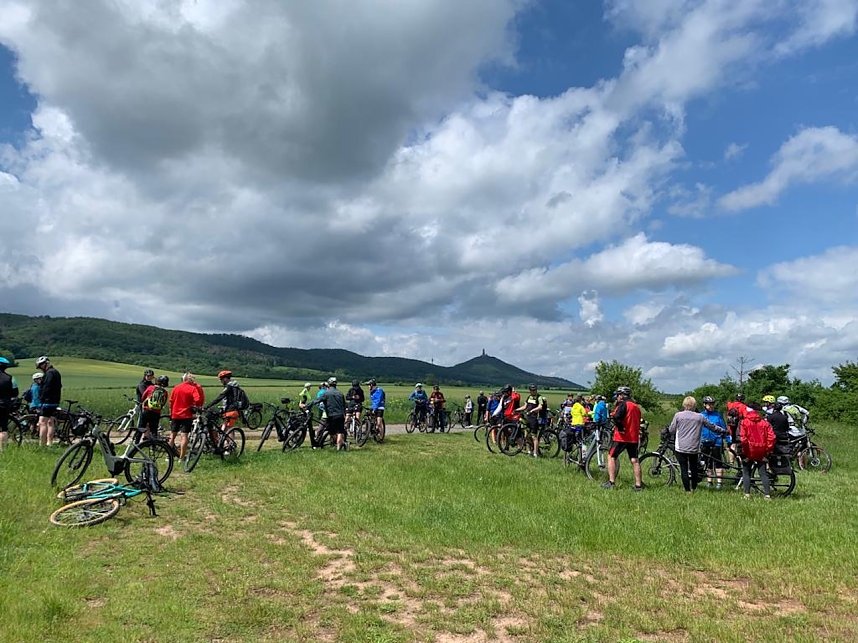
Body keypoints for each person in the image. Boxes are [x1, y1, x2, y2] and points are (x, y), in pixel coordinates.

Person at [668, 396, 720, 493]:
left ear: (684, 405)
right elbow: (712, 426)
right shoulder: (700, 417)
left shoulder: (678, 415)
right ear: (694, 405)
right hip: (694, 447)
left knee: (684, 468)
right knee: (693, 467)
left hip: (681, 447)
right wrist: (723, 431)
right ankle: (694, 487)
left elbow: (672, 430)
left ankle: (687, 490)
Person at [602, 386, 643, 491]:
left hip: (622, 437)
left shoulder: (623, 405)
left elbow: (616, 417)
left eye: (618, 395)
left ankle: (611, 482)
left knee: (611, 456)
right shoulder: (636, 406)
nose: (617, 397)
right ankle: (638, 485)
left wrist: (620, 428)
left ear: (621, 395)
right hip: (633, 437)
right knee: (634, 460)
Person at [739, 401, 776, 499]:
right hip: (761, 450)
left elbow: (743, 439)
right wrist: (767, 450)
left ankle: (747, 494)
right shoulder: (765, 423)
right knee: (763, 473)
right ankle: (767, 494)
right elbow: (771, 438)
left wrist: (745, 452)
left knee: (746, 472)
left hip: (749, 450)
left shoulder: (744, 422)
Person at [169, 372, 205, 461]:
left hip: (175, 414)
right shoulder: (192, 389)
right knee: (184, 436)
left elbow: (171, 401)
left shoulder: (176, 387)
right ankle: (181, 458)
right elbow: (198, 399)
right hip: (186, 415)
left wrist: (171, 412)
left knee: (172, 435)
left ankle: (169, 455)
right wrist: (195, 406)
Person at [205, 370, 248, 444]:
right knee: (224, 428)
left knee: (228, 428)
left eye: (221, 379)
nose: (220, 381)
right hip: (231, 410)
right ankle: (226, 445)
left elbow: (220, 397)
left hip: (231, 411)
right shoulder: (235, 387)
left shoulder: (230, 387)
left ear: (225, 378)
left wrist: (208, 406)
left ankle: (230, 446)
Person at [305, 377, 347, 450]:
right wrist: (344, 414)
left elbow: (317, 400)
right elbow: (344, 405)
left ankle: (337, 443)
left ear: (329, 384)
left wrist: (307, 405)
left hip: (331, 416)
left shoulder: (326, 393)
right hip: (340, 415)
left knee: (332, 432)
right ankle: (339, 445)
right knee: (340, 431)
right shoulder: (340, 393)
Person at [699, 396, 729, 488]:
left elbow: (723, 428)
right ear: (704, 405)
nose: (711, 406)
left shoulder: (718, 415)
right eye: (709, 404)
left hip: (716, 441)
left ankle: (719, 482)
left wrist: (727, 439)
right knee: (708, 462)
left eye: (712, 404)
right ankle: (709, 481)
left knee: (718, 462)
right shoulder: (701, 415)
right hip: (705, 441)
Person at [35, 356, 62, 447]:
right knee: (51, 422)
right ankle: (49, 443)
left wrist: (41, 399)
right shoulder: (56, 372)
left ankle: (42, 444)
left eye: (41, 366)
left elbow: (47, 387)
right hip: (55, 401)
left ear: (45, 364)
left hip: (47, 401)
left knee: (42, 422)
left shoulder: (49, 373)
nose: (41, 368)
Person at [516, 384, 547, 457]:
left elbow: (540, 407)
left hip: (535, 418)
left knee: (534, 436)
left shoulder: (539, 397)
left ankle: (535, 453)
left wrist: (533, 410)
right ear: (529, 391)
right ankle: (530, 451)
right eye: (532, 390)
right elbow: (525, 406)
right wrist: (516, 410)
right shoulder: (529, 397)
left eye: (535, 390)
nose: (533, 391)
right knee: (527, 436)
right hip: (528, 418)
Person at [139, 375, 169, 441]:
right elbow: (163, 403)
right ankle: (153, 447)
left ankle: (136, 443)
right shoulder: (165, 392)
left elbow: (143, 397)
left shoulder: (151, 388)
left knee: (141, 427)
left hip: (147, 410)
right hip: (156, 413)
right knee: (154, 431)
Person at [0, 357, 19, 451]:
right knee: (3, 428)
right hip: (4, 405)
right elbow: (15, 393)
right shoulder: (10, 378)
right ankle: (2, 450)